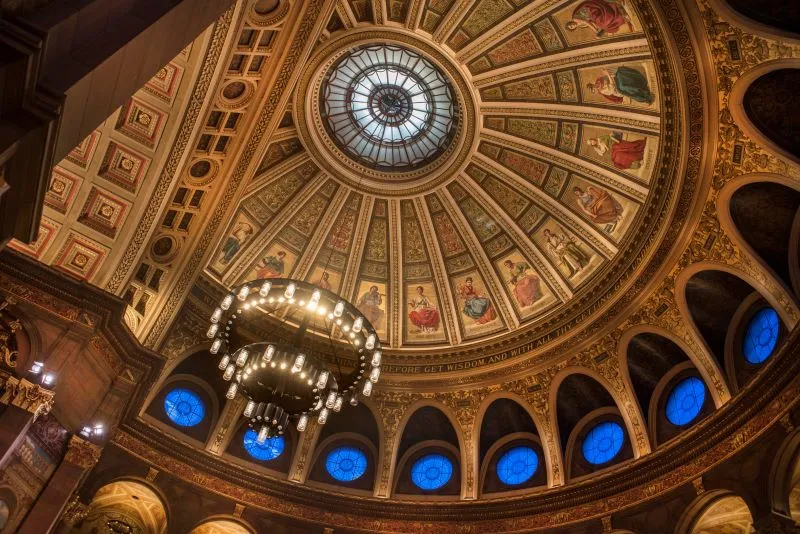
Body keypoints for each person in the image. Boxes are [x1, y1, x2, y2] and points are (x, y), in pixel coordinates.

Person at [586, 66, 654, 105]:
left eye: (592, 86)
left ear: (592, 84)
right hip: (617, 89)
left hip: (615, 80)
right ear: (593, 90)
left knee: (620, 72)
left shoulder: (599, 80)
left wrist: (608, 74)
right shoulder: (602, 91)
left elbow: (609, 77)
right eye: (593, 88)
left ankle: (640, 82)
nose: (594, 86)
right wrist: (607, 74)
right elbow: (612, 88)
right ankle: (644, 95)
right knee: (623, 86)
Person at [565, 0, 633, 37]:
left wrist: (596, 31)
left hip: (591, 9)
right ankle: (621, 17)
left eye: (570, 25)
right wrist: (598, 29)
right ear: (573, 29)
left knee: (603, 22)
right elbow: (591, 22)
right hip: (593, 15)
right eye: (571, 27)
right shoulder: (580, 25)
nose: (572, 25)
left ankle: (618, 13)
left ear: (570, 22)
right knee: (604, 25)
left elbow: (587, 23)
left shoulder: (575, 19)